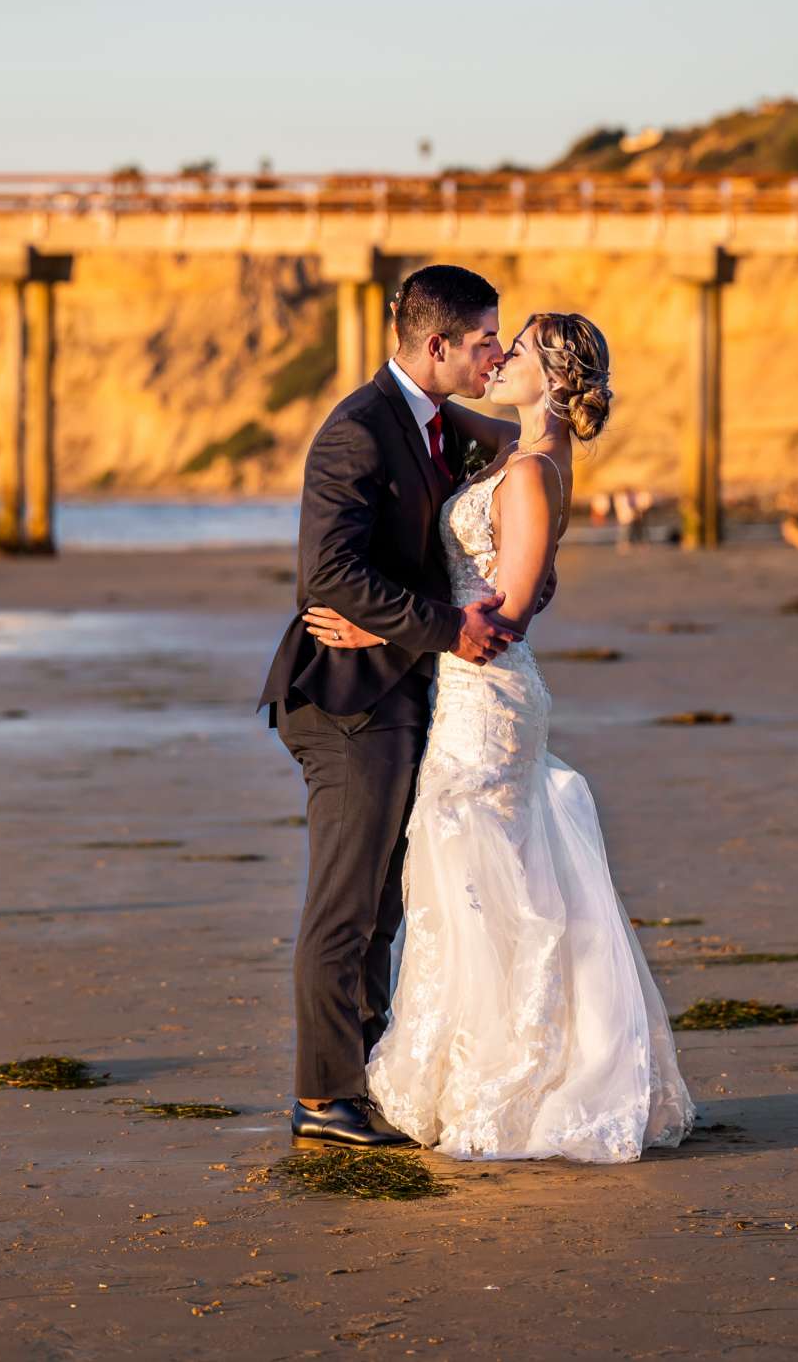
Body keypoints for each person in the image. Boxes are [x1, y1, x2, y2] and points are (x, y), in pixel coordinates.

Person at [302, 313, 697, 1163]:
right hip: (464, 689)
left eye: (514, 350)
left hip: (487, 696)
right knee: (467, 881)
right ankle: (477, 1075)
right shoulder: (521, 453)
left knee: (485, 878)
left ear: (551, 378)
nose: (499, 357)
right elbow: (442, 419)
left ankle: (514, 1083)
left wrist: (380, 632)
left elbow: (508, 615)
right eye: (496, 342)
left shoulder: (528, 475)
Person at [256, 265, 523, 1149]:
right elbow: (327, 577)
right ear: (437, 344)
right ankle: (322, 1098)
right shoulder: (359, 431)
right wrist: (445, 627)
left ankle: (363, 1079)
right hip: (343, 701)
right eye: (485, 339)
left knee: (386, 904)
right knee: (347, 902)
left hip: (400, 689)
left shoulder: (438, 422)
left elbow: (522, 446)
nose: (496, 351)